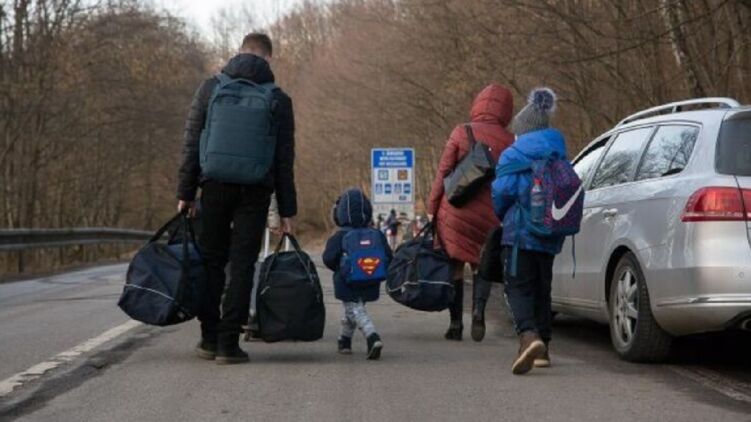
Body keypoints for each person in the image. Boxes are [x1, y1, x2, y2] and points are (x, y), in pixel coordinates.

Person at [176, 33, 296, 364]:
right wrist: (287, 210)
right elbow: (284, 160)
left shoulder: (210, 88)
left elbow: (191, 143)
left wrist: (186, 192)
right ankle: (229, 344)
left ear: (240, 52)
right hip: (256, 190)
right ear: (268, 58)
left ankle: (208, 338)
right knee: (243, 263)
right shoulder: (278, 99)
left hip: (213, 185)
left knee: (211, 260)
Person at [427, 84, 514, 341]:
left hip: (456, 210)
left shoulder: (461, 131)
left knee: (455, 265)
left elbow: (443, 172)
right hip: (489, 214)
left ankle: (455, 324)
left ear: (477, 105)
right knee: (480, 265)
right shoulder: (511, 140)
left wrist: (432, 207)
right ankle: (478, 313)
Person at [492, 87, 567, 375]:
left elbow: (502, 193)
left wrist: (502, 216)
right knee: (542, 289)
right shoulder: (559, 152)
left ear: (523, 129)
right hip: (550, 234)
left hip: (519, 234)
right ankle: (543, 349)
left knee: (517, 287)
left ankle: (528, 336)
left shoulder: (513, 155)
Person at [322, 189, 392, 360]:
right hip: (371, 279)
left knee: (354, 308)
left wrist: (339, 268)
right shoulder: (376, 235)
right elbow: (388, 257)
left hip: (346, 281)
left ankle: (372, 336)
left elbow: (328, 258)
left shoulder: (340, 236)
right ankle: (344, 340)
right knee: (354, 309)